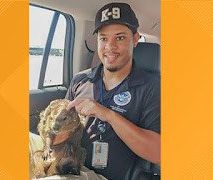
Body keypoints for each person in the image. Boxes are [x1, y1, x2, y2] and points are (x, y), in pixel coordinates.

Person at [65, 2, 160, 179]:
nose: (110, 47)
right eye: (103, 38)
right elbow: (63, 126)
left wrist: (108, 115)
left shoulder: (152, 88)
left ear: (135, 39)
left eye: (120, 38)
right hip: (71, 169)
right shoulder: (80, 80)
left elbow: (159, 154)